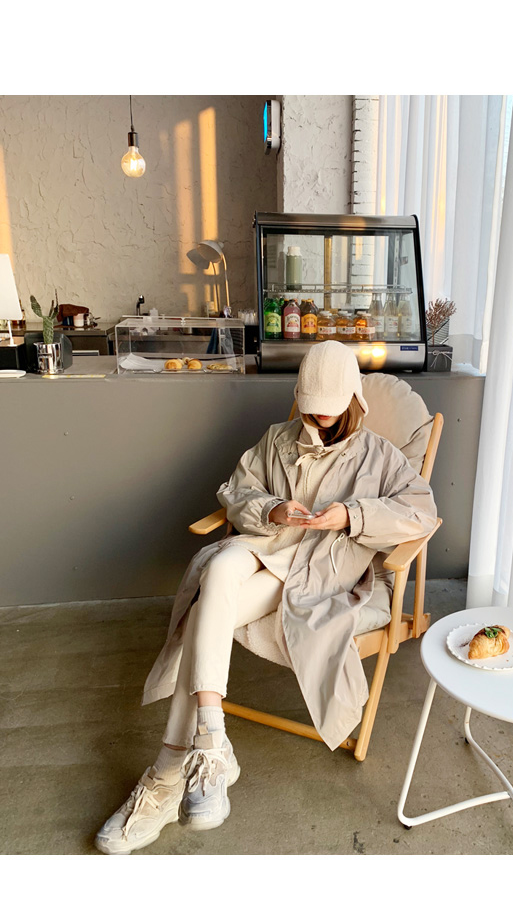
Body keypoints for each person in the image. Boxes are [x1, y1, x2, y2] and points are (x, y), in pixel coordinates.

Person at [95, 337, 433, 847]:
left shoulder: (379, 456)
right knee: (221, 564)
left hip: (316, 568)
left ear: (353, 399)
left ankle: (166, 773)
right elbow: (236, 492)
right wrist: (273, 509)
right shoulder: (277, 438)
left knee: (207, 606)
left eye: (330, 407)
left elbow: (421, 512)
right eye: (311, 406)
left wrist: (351, 515)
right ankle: (211, 743)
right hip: (266, 547)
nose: (318, 416)